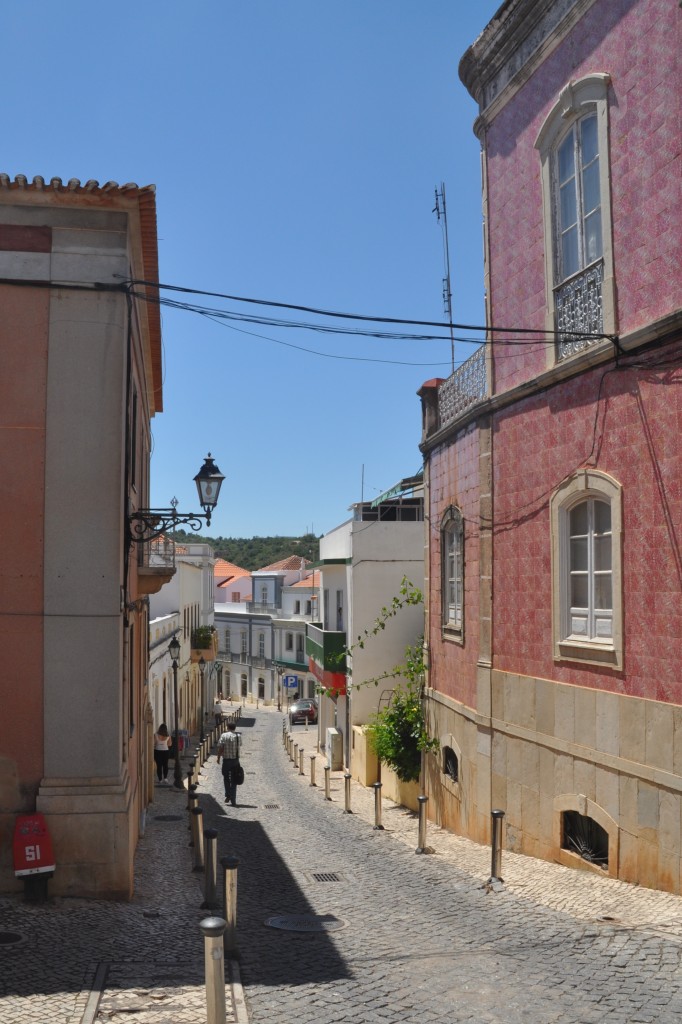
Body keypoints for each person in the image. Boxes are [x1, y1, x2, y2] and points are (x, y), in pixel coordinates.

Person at [216, 721, 241, 805]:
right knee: (234, 779)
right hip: (235, 761)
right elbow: (239, 745)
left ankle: (228, 794)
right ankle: (233, 799)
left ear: (227, 727)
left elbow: (221, 748)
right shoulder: (238, 736)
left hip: (226, 761)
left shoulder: (224, 735)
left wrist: (218, 757)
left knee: (226, 778)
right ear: (234, 728)